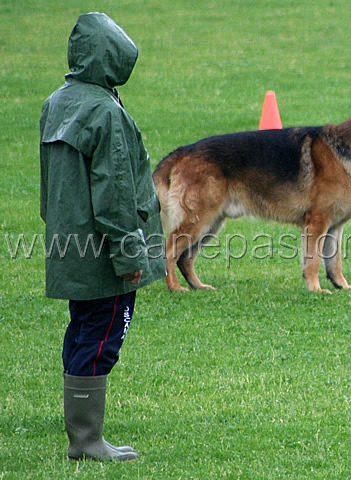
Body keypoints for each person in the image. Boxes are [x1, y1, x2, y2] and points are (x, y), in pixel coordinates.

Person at [39, 12, 166, 461]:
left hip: (69, 246)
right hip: (105, 255)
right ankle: (86, 441)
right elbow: (114, 193)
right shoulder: (104, 111)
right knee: (101, 338)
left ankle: (82, 434)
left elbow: (48, 185)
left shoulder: (58, 101)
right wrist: (130, 254)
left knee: (81, 332)